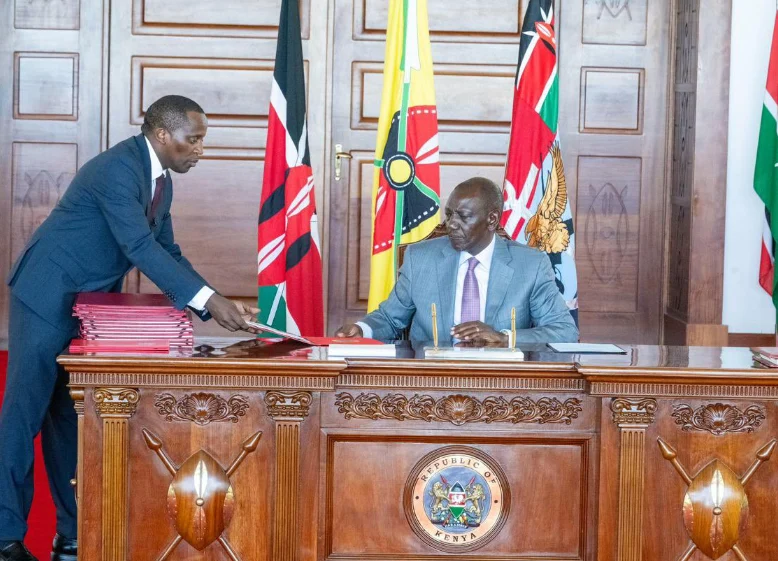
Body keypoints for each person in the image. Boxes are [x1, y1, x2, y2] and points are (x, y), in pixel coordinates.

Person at [0, 95, 258, 561]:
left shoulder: (161, 180)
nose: (200, 149)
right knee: (24, 416)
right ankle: (4, 539)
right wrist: (207, 301)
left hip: (87, 304)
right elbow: (138, 245)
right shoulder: (117, 169)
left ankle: (72, 536)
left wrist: (214, 299)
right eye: (193, 139)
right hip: (44, 293)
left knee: (68, 420)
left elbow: (168, 251)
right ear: (163, 134)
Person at [336, 177, 578, 345]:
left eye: (463, 217)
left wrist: (505, 338)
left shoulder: (530, 265)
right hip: (429, 381)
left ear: (492, 220)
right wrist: (361, 329)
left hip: (502, 381)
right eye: (449, 214)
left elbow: (564, 331)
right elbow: (390, 318)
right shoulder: (420, 258)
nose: (451, 224)